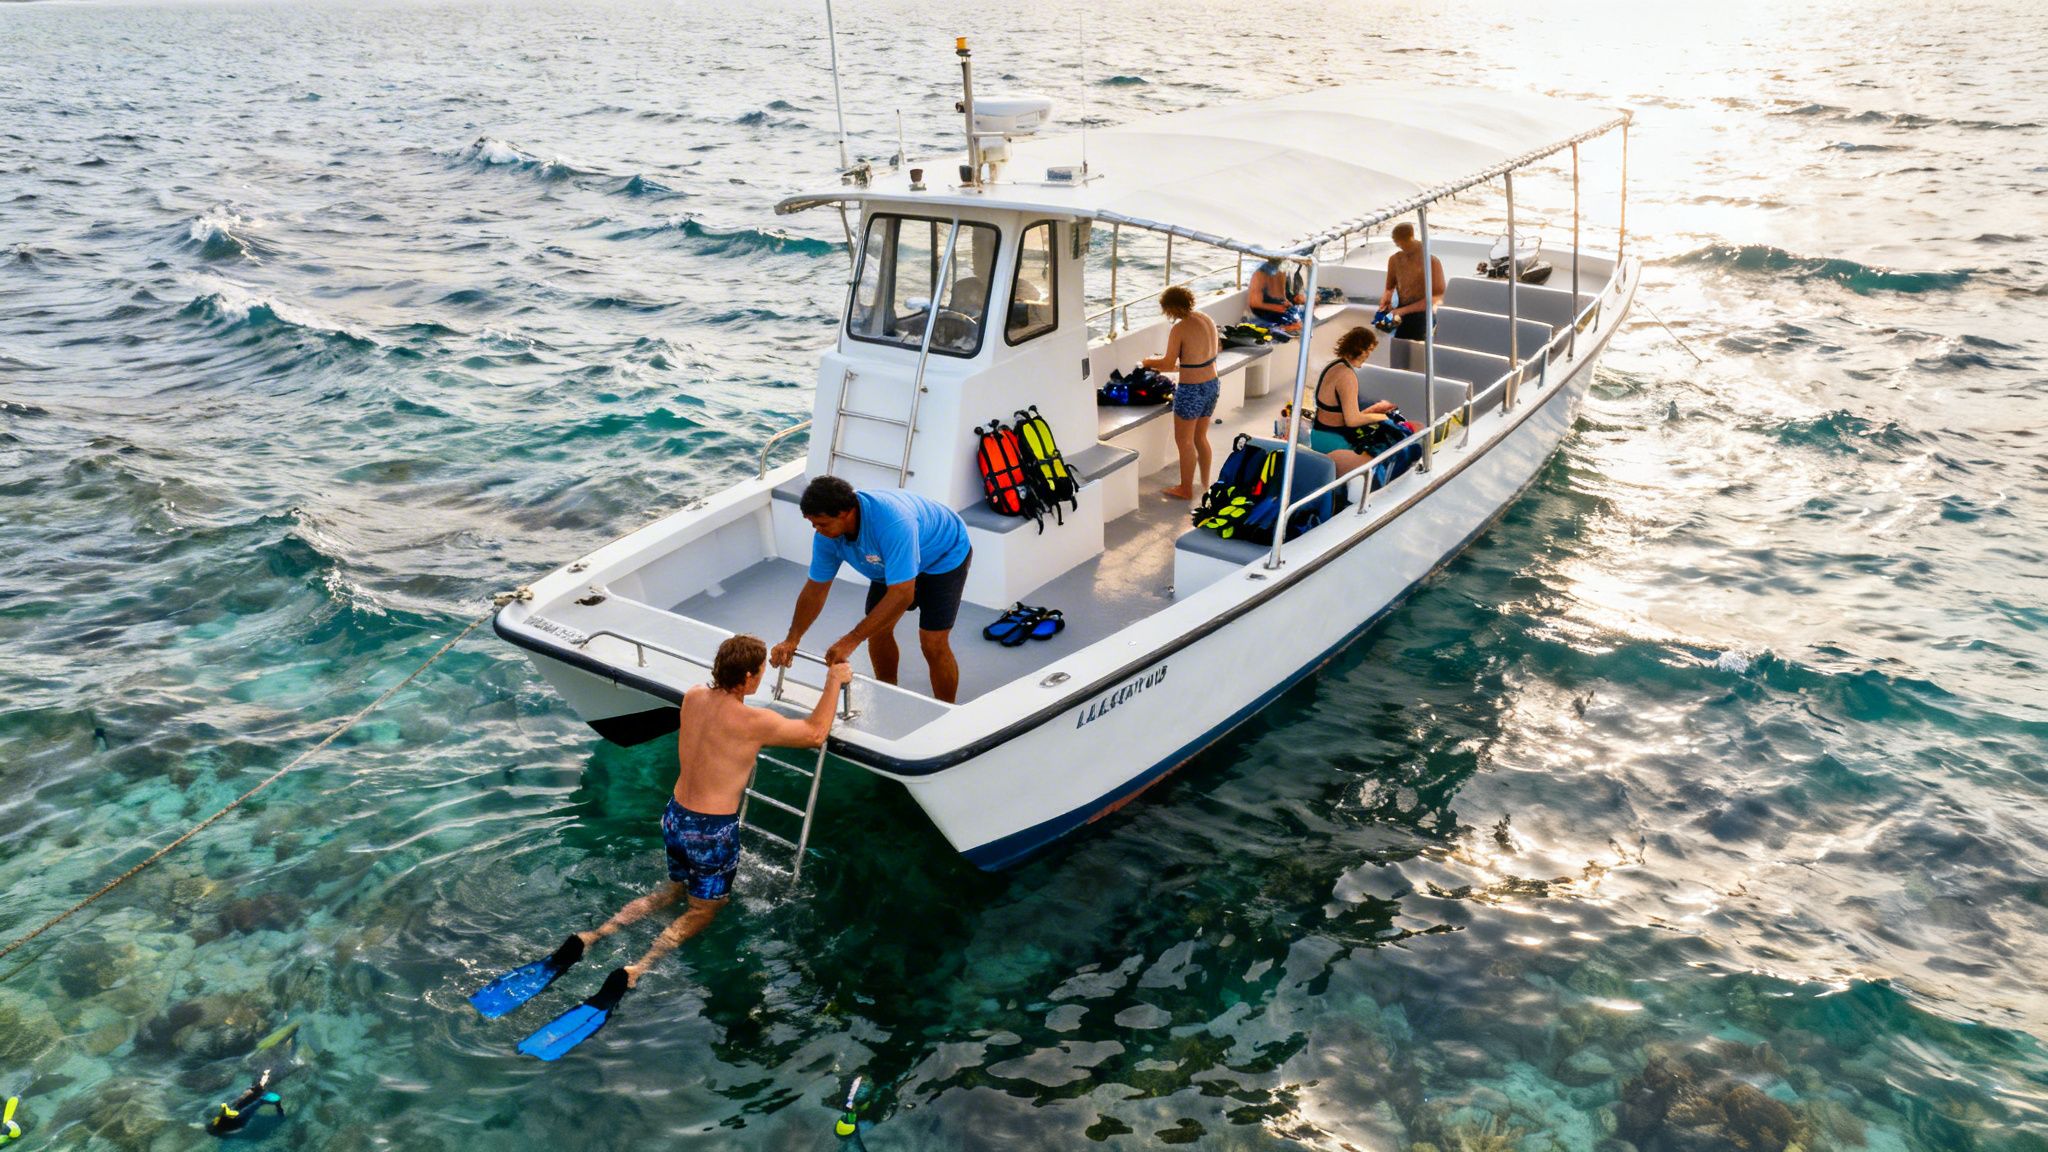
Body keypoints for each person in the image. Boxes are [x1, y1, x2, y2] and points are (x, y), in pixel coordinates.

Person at [469, 636, 851, 1058]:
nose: (762, 677)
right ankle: (636, 969)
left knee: (672, 890)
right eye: (760, 671)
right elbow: (816, 733)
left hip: (675, 816)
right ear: (747, 676)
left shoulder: (692, 698)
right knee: (704, 909)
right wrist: (834, 681)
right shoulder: (754, 721)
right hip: (711, 830)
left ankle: (594, 935)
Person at [775, 476, 972, 703]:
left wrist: (850, 640)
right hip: (887, 562)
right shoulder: (826, 536)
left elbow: (903, 594)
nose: (817, 531)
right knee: (878, 631)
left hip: (943, 555)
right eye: (812, 524)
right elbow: (815, 589)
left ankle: (946, 709)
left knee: (932, 642)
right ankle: (887, 693)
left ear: (845, 513)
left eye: (822, 524)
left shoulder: (893, 523)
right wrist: (792, 639)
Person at [1141, 286, 1221, 501]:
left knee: (1184, 441)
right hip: (1212, 384)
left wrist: (1147, 362)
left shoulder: (1180, 328)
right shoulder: (1206, 319)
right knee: (1201, 437)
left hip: (1192, 390)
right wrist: (1185, 364)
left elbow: (1167, 363)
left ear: (1172, 308)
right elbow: (1209, 352)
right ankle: (1205, 484)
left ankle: (1186, 489)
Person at [1310, 326, 1401, 477]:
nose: (1368, 355)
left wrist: (1375, 409)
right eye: (1368, 350)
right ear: (1359, 347)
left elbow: (1342, 414)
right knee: (1386, 453)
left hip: (1318, 435)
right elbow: (1352, 420)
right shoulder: (1347, 376)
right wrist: (1384, 417)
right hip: (1335, 443)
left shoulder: (1334, 366)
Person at [1377, 222, 1447, 340]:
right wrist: (1386, 298)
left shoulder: (1431, 262)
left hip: (1423, 317)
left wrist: (1402, 311)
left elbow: (1437, 297)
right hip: (1401, 313)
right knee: (1381, 327)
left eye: (1403, 243)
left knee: (1417, 350)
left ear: (1411, 237)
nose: (1400, 246)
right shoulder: (1395, 259)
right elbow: (1389, 288)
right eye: (1397, 243)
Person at [1247, 258, 1304, 332]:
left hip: (1276, 305)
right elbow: (1254, 303)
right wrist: (1276, 308)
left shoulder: (1282, 270)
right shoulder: (1260, 274)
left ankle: (1283, 326)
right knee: (1296, 325)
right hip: (1263, 309)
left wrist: (1285, 301)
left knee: (1301, 315)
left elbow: (1281, 294)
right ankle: (1272, 331)